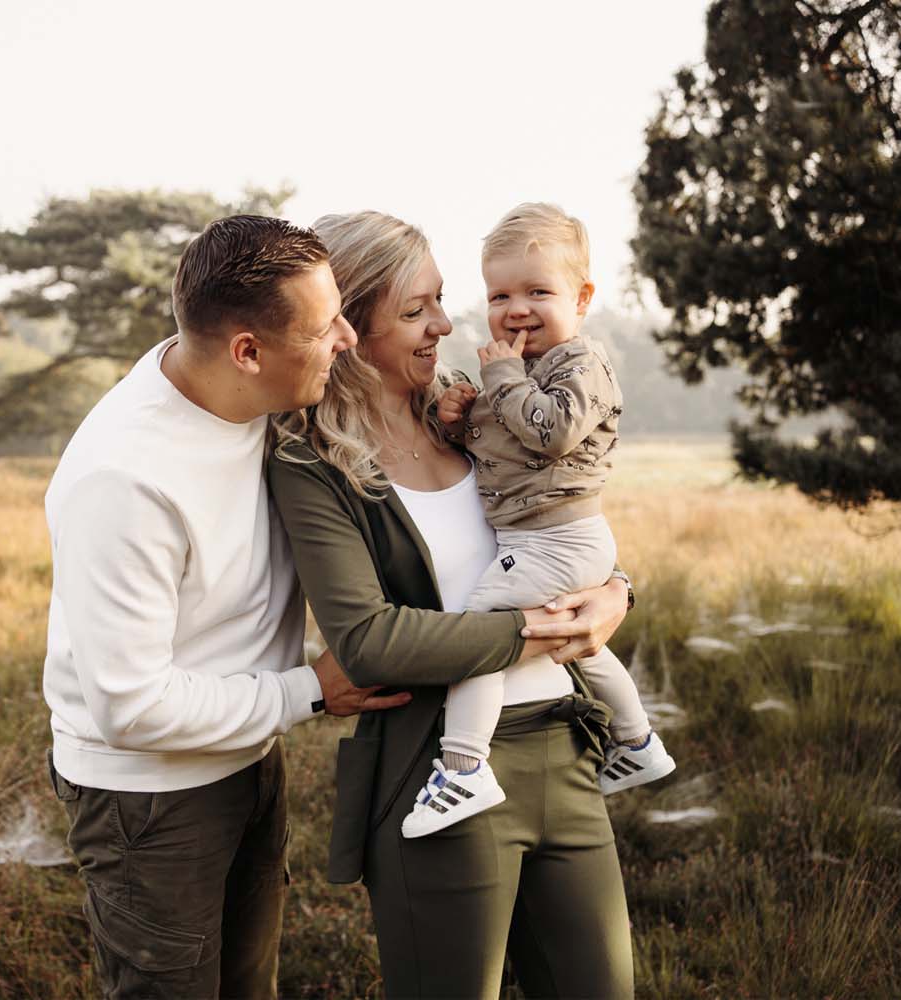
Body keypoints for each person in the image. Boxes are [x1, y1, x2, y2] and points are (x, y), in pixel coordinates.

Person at [42, 215, 412, 1000]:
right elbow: (130, 707)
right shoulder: (125, 479)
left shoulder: (254, 394)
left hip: (247, 755)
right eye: (325, 326)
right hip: (148, 798)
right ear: (247, 350)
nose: (346, 337)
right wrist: (311, 690)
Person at [268, 210, 635, 998]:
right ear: (349, 327)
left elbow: (555, 530)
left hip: (565, 752)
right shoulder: (315, 465)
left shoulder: (473, 417)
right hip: (441, 775)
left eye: (439, 300)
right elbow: (369, 641)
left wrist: (615, 592)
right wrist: (534, 630)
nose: (443, 324)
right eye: (413, 311)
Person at [400, 203, 674, 840]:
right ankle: (636, 740)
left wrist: (499, 375)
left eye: (537, 292)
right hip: (550, 538)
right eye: (500, 294)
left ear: (581, 298)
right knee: (574, 636)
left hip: (556, 536)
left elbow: (549, 433)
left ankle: (464, 765)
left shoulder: (582, 366)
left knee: (481, 637)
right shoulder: (523, 372)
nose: (515, 309)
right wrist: (458, 415)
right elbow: (497, 447)